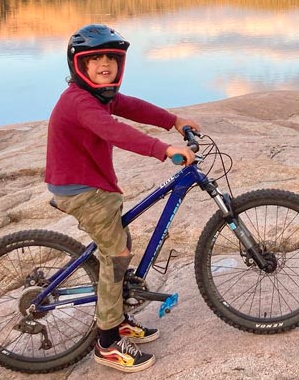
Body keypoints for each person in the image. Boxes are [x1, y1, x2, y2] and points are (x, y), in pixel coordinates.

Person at [45, 24, 199, 373]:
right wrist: (164, 150)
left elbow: (131, 107)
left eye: (111, 59)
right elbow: (116, 131)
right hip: (80, 189)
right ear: (78, 66)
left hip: (93, 184)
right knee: (117, 254)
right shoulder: (80, 102)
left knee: (120, 244)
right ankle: (108, 342)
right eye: (94, 59)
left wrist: (173, 120)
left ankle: (117, 316)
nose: (104, 65)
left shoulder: (101, 95)